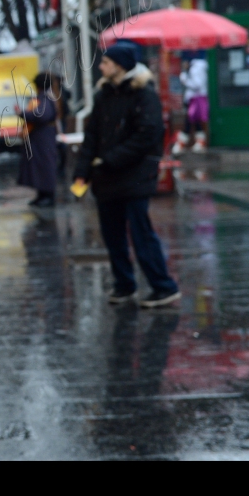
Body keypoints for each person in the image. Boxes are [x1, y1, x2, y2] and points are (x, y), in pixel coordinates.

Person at [73, 44, 181, 308]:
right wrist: (82, 173)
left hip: (135, 177)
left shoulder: (144, 94)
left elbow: (148, 135)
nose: (101, 66)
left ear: (120, 65)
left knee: (141, 233)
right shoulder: (103, 95)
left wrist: (110, 159)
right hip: (106, 179)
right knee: (113, 236)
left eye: (106, 62)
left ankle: (163, 287)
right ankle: (124, 285)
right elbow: (92, 138)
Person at [15, 72, 58, 207]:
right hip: (40, 138)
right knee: (39, 167)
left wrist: (22, 113)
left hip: (43, 138)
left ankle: (48, 195)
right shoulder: (46, 98)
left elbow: (41, 116)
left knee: (45, 166)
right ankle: (41, 194)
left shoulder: (44, 99)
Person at [173, 57, 209, 154]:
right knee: (195, 121)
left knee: (190, 120)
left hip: (196, 100)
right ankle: (199, 142)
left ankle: (181, 143)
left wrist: (184, 79)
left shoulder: (196, 68)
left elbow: (197, 84)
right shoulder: (197, 67)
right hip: (193, 99)